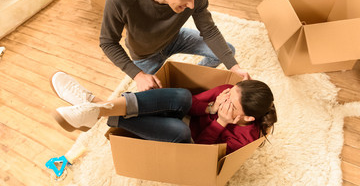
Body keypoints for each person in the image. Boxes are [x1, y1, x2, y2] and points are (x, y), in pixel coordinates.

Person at [99, 0, 251, 92]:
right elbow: (108, 43)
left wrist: (234, 67)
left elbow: (209, 30)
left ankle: (188, 81)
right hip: (145, 56)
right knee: (159, 98)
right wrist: (138, 75)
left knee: (228, 52)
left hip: (176, 37)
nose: (192, 5)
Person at [51, 72, 277, 154]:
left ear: (248, 118)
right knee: (183, 96)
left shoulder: (245, 139)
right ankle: (98, 108)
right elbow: (190, 105)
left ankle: (93, 104)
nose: (227, 97)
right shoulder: (226, 92)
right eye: (230, 92)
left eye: (233, 104)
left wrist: (220, 122)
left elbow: (201, 152)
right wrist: (210, 107)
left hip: (189, 141)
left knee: (179, 130)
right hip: (182, 115)